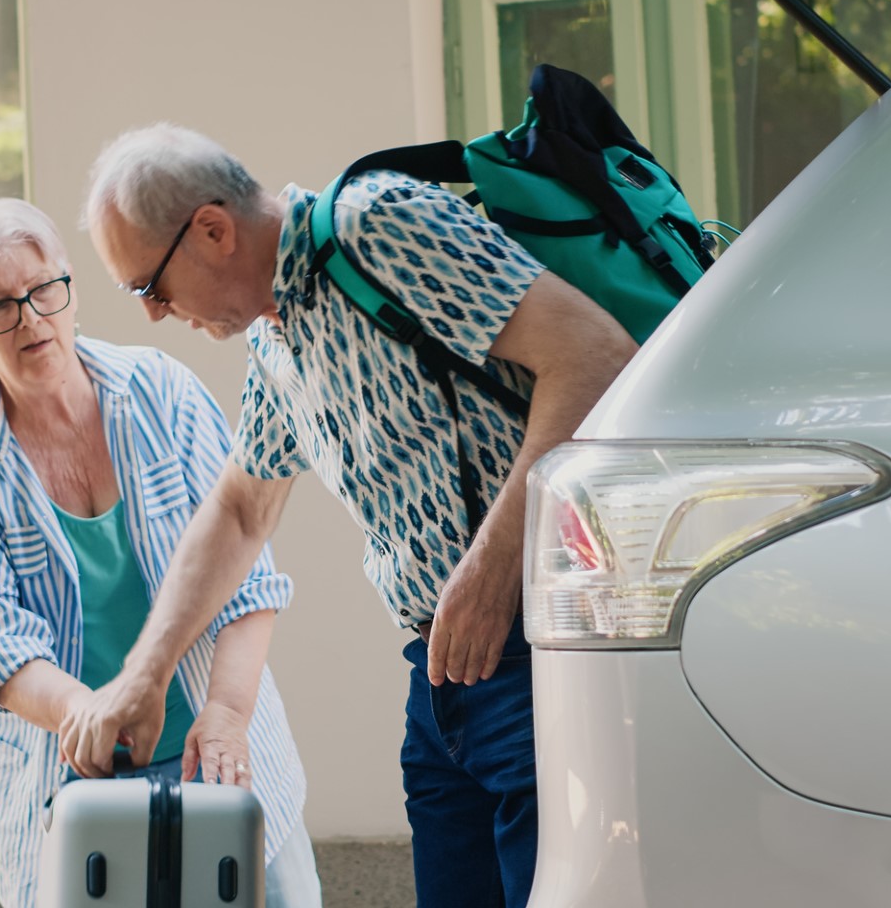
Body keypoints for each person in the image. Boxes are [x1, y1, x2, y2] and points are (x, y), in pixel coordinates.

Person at [67, 125, 638, 908]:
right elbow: (241, 509)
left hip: (535, 649)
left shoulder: (379, 225)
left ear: (212, 230)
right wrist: (146, 675)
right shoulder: (275, 336)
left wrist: (493, 568)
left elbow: (593, 354)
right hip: (440, 677)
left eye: (149, 288)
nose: (156, 316)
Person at [0, 198, 323, 908]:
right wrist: (97, 714)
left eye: (44, 290)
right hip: (72, 784)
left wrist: (227, 714)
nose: (32, 319)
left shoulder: (159, 391)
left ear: (69, 285)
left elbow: (248, 579)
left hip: (216, 745)